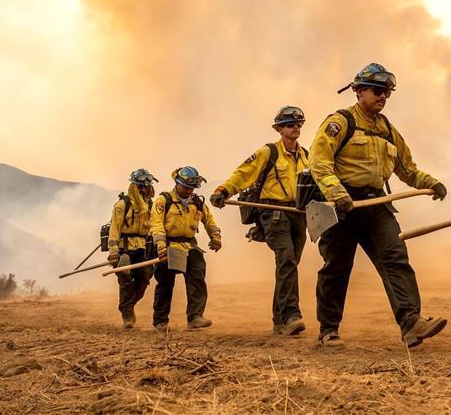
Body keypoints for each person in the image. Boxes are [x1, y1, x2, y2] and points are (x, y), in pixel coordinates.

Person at [308, 63, 448, 348]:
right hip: (341, 207)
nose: (383, 96)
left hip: (376, 205)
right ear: (359, 91)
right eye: (377, 90)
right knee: (336, 267)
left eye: (387, 92)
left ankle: (411, 323)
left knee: (396, 258)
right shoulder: (340, 122)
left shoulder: (387, 130)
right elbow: (318, 162)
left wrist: (430, 182)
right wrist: (337, 193)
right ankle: (328, 329)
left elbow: (407, 169)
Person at [210, 106, 310, 336]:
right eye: (290, 124)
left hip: (299, 214)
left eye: (298, 124)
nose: (295, 127)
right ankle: (291, 315)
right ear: (279, 129)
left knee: (290, 264)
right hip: (273, 213)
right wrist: (223, 190)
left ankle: (279, 320)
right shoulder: (268, 152)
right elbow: (244, 173)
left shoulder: (306, 155)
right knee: (286, 259)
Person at [150, 166, 222, 332]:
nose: (189, 190)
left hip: (190, 246)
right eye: (186, 187)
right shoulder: (163, 201)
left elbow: (209, 221)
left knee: (197, 277)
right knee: (166, 284)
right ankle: (160, 321)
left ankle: (195, 317)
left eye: (192, 188)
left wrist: (215, 237)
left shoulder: (197, 202)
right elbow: (157, 224)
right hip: (170, 246)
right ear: (177, 183)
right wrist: (160, 245)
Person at [107, 168, 158, 328]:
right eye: (140, 186)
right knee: (126, 281)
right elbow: (114, 230)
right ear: (134, 186)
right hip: (124, 250)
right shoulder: (122, 205)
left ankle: (127, 306)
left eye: (145, 186)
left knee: (144, 279)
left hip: (143, 248)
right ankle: (127, 315)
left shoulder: (150, 205)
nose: (143, 189)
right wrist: (113, 253)